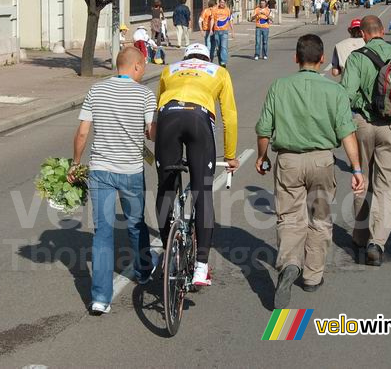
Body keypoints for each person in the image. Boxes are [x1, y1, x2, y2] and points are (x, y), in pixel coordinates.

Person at [255, 34, 363, 309]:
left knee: (290, 218)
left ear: (296, 58)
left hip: (289, 161)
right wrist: (356, 168)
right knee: (320, 218)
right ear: (323, 59)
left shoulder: (279, 86)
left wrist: (262, 156)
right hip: (322, 161)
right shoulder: (335, 91)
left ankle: (290, 263)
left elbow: (264, 129)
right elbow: (347, 132)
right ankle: (313, 276)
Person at [73, 47, 157, 315]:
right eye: (142, 68)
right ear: (136, 66)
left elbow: (83, 132)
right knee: (135, 224)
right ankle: (143, 272)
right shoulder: (145, 94)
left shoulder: (96, 91)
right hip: (131, 171)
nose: (143, 73)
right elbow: (152, 134)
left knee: (103, 232)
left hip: (100, 170)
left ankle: (99, 298)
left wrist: (76, 163)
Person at [155, 43, 239, 287]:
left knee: (166, 190)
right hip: (198, 119)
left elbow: (159, 104)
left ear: (186, 58)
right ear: (206, 58)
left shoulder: (169, 69)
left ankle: (168, 255)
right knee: (202, 192)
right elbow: (230, 116)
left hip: (168, 118)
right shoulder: (218, 71)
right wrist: (231, 154)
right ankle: (201, 266)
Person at [341, 16, 391, 267]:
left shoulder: (356, 57)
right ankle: (378, 242)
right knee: (386, 186)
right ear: (383, 31)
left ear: (363, 34)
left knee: (361, 180)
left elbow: (346, 96)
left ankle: (361, 236)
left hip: (363, 125)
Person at [210, 0, 233, 67]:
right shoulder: (215, 9)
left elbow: (230, 20)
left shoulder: (227, 10)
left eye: (223, 2)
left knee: (224, 47)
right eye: (221, 2)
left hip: (224, 31)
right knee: (218, 48)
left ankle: (223, 62)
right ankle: (220, 61)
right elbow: (212, 20)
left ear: (225, 3)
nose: (222, 4)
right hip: (216, 31)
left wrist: (232, 31)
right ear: (219, 3)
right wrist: (211, 29)